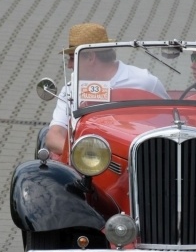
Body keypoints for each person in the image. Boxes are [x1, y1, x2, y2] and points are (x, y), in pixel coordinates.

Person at [45, 23, 169, 156]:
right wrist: (87, 156)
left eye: (72, 58)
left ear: (91, 57)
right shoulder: (72, 88)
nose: (69, 65)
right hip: (90, 165)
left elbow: (169, 121)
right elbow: (53, 136)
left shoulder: (145, 81)